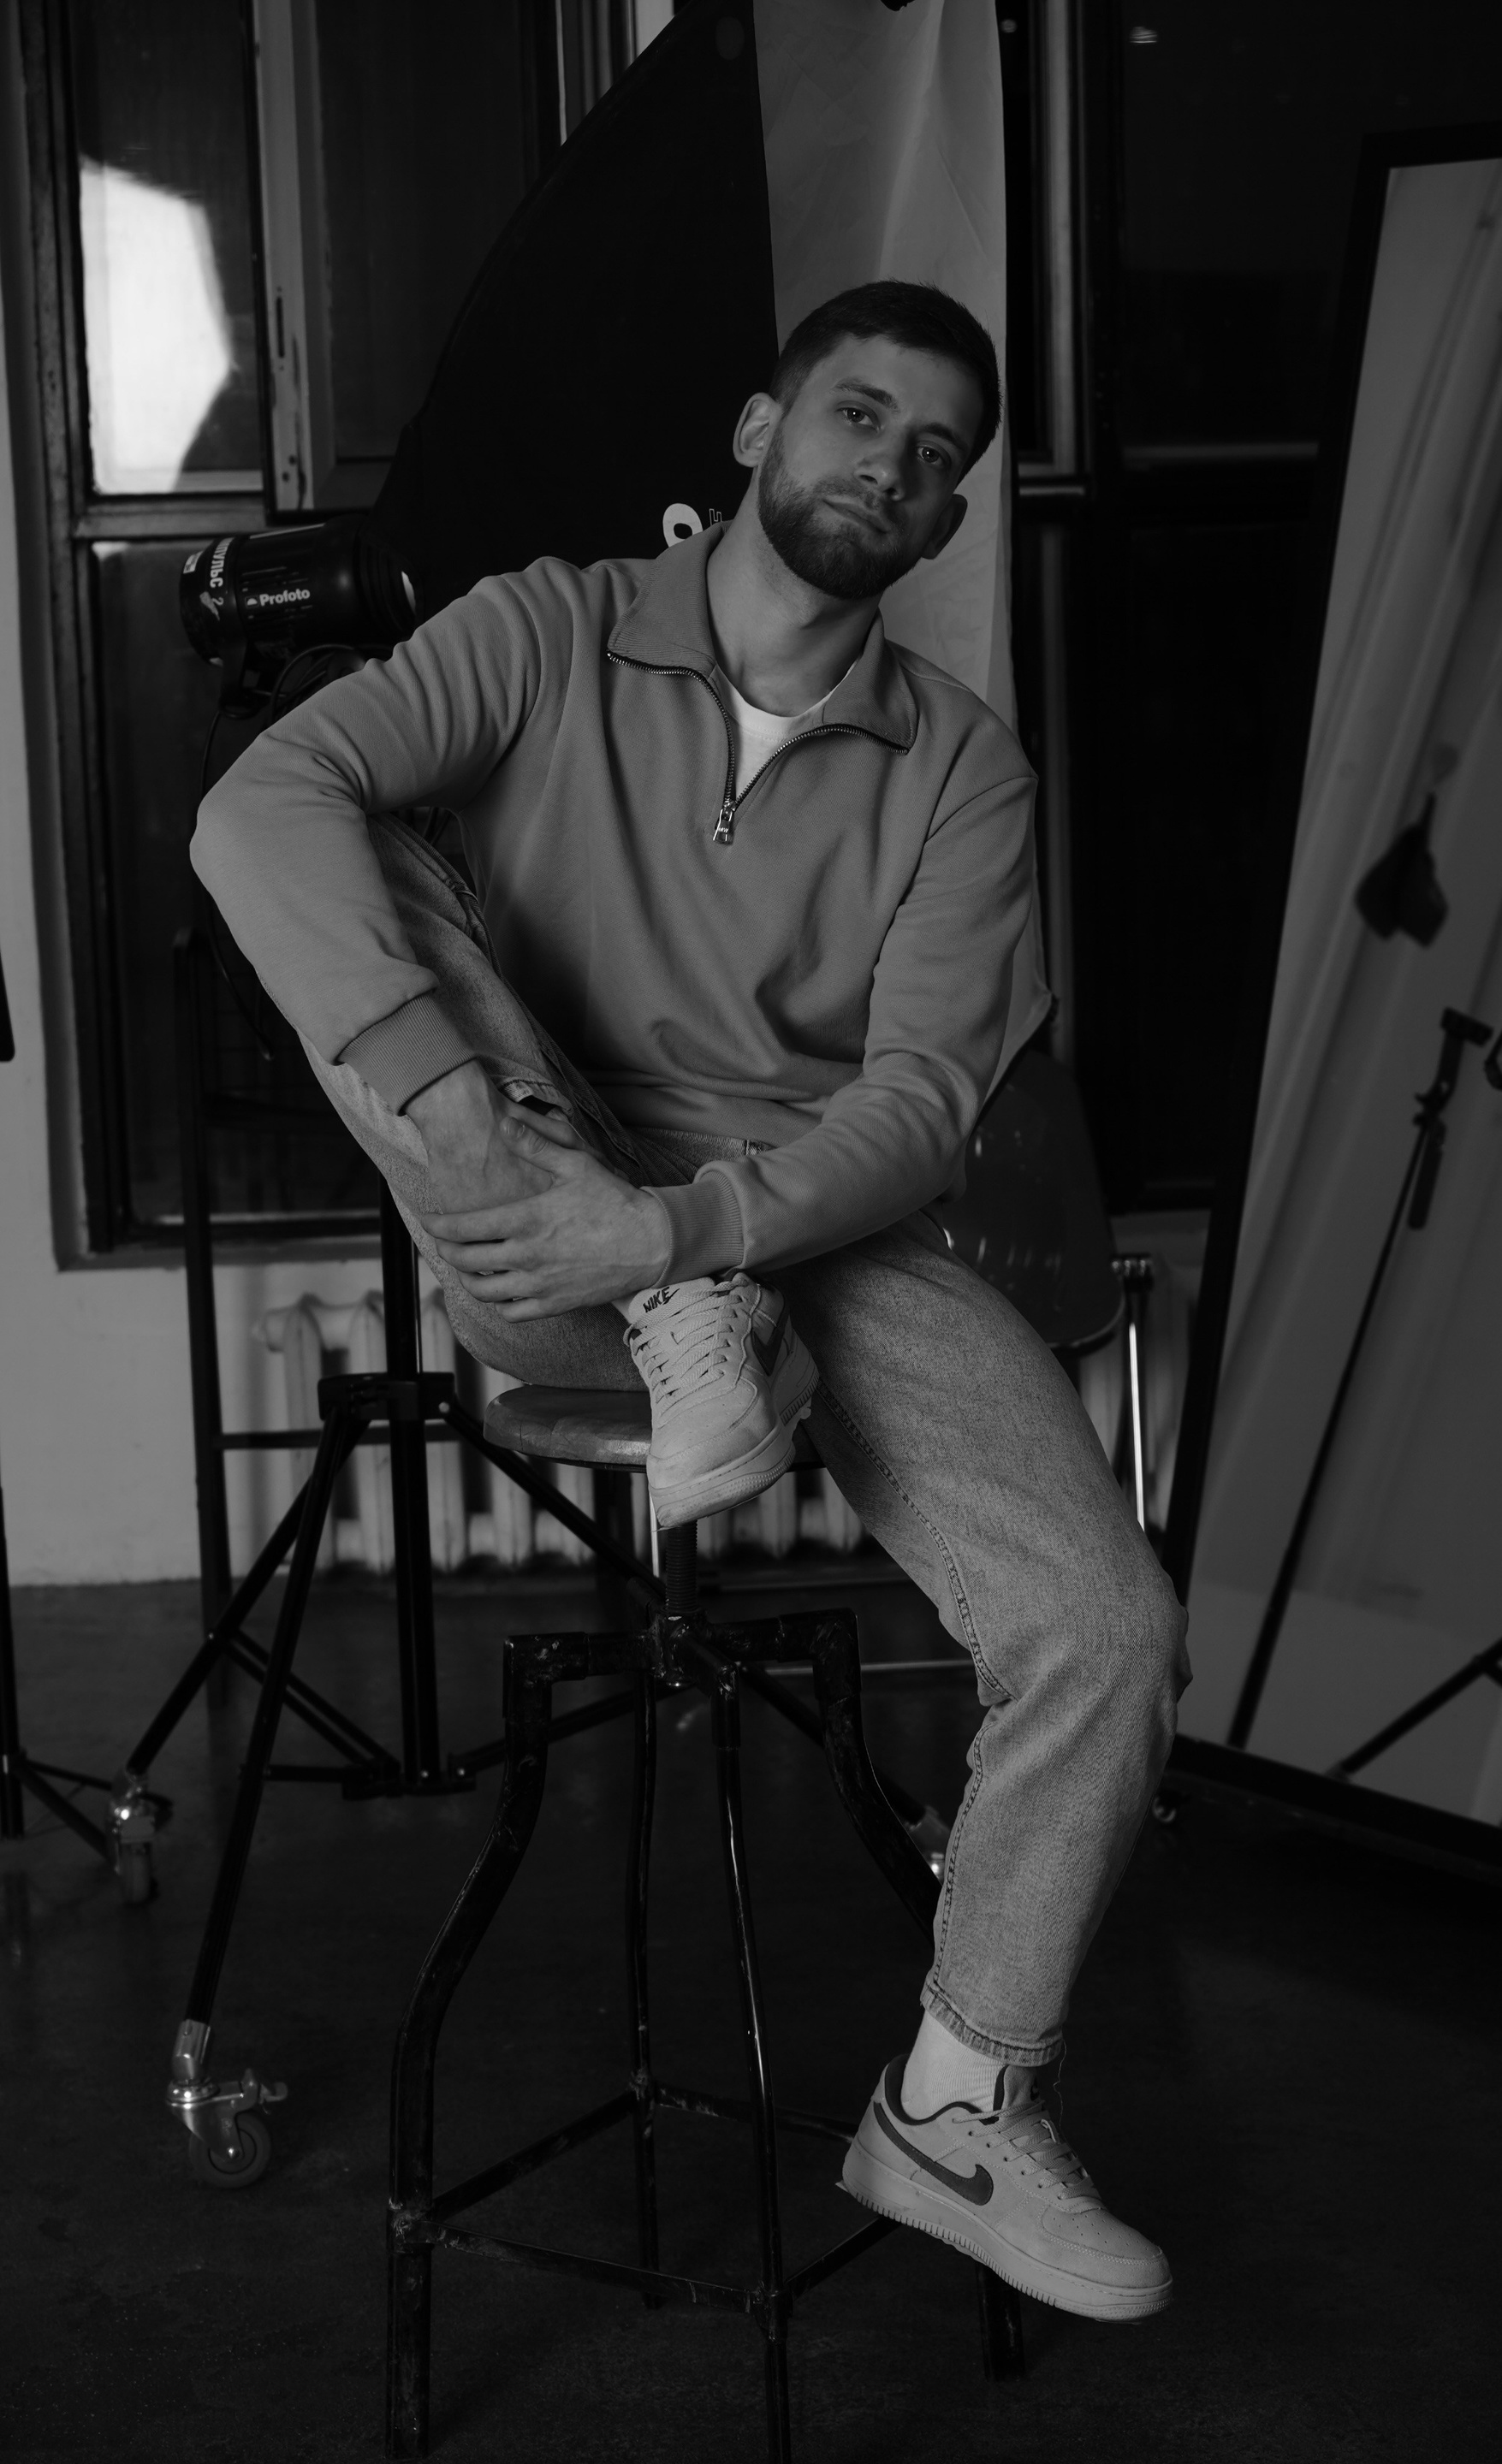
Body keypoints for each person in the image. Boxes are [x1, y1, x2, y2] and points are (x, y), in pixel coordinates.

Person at [193, 281, 1189, 2322]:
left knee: (1107, 1623)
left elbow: (915, 1109)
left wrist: (688, 1236)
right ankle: (685, 1330)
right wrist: (530, 1173)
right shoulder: (547, 629)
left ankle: (957, 2103)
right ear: (757, 429)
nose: (891, 469)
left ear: (947, 521)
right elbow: (254, 811)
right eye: (860, 415)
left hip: (799, 1234)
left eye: (936, 459)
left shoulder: (963, 770)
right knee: (365, 834)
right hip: (528, 1190)